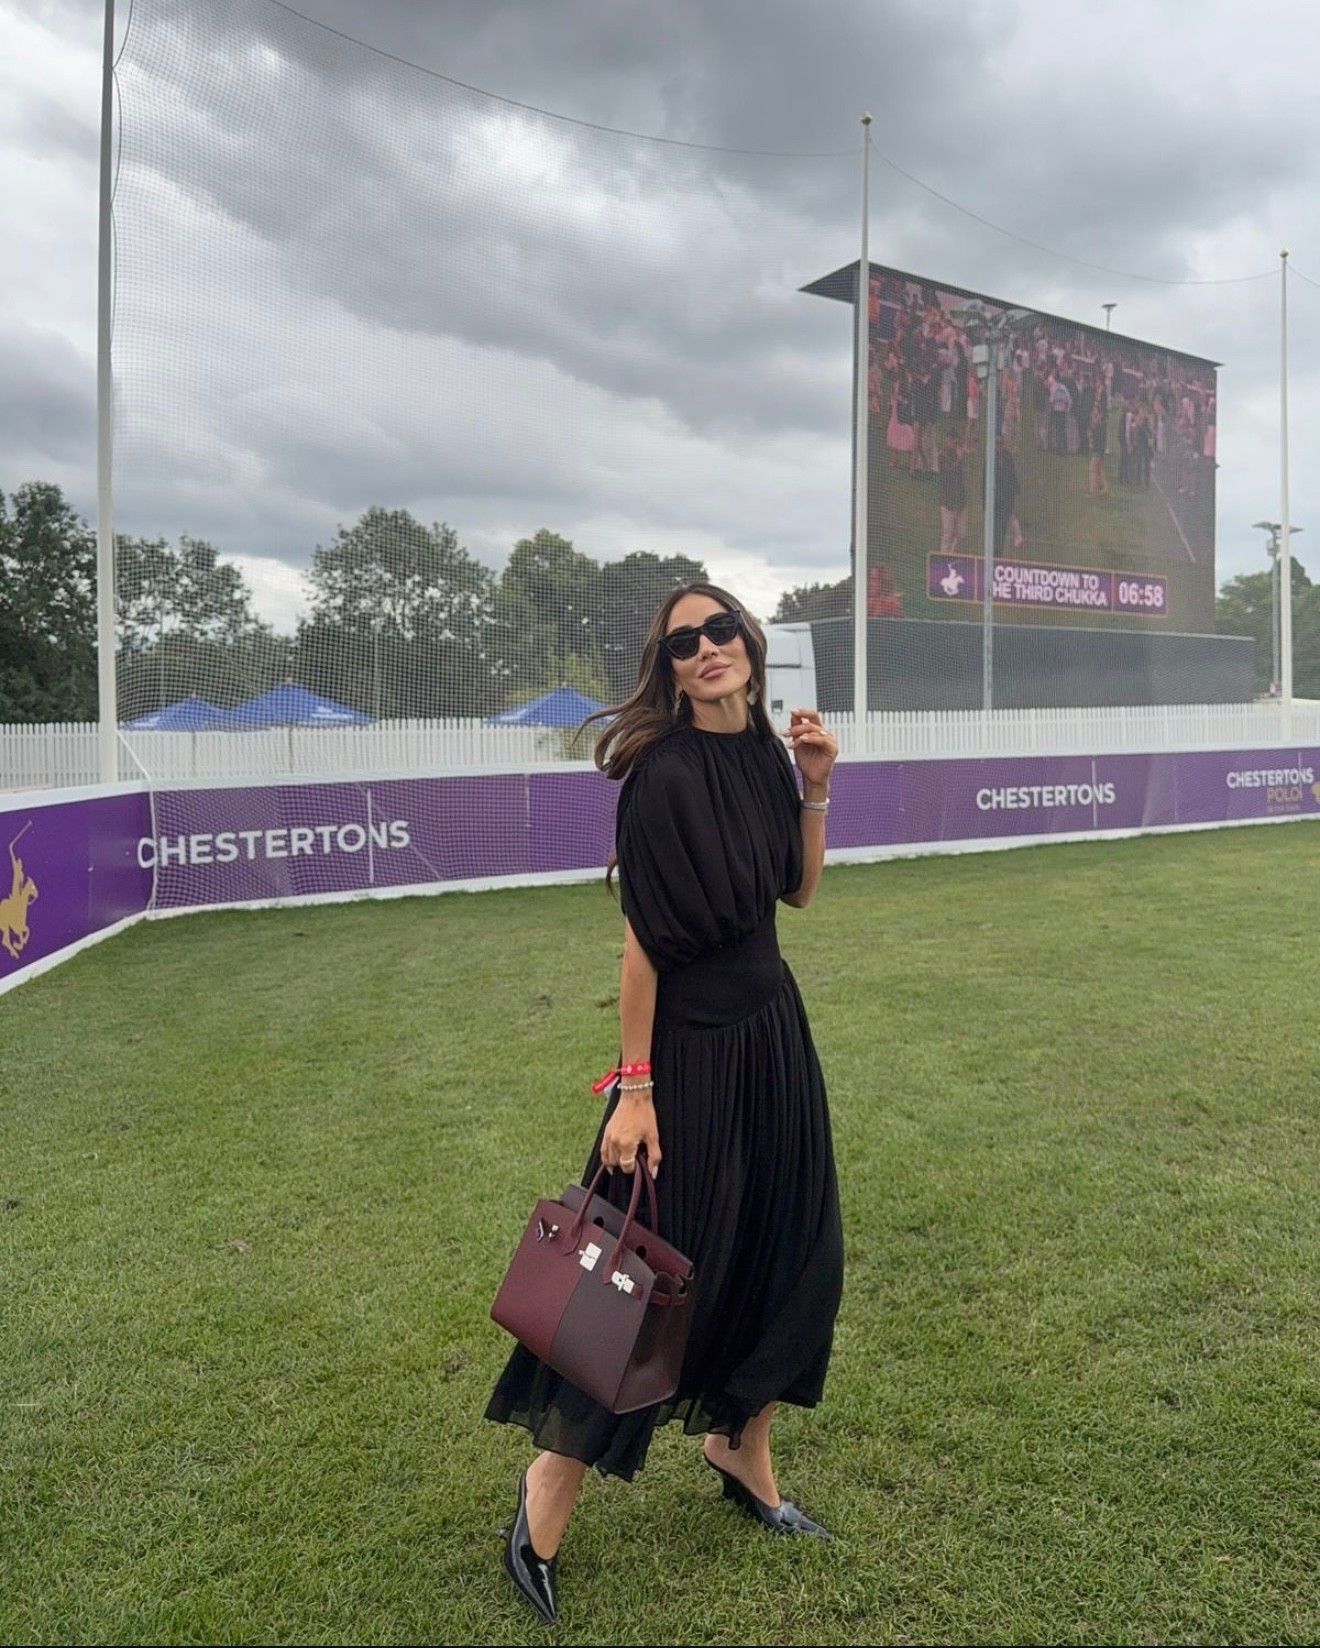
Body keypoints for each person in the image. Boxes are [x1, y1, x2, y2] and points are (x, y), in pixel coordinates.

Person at [486, 585, 845, 1624]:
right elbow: (642, 943)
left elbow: (797, 892)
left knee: (791, 1251)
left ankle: (741, 1448)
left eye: (719, 629)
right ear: (670, 667)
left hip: (773, 1035)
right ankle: (546, 1491)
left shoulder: (766, 755)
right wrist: (633, 1091)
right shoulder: (663, 774)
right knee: (637, 1281)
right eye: (684, 642)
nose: (706, 649)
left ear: (748, 642)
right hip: (687, 1053)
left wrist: (816, 787)